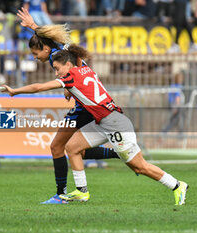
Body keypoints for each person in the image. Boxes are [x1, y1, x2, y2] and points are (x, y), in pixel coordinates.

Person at [0, 44, 189, 206]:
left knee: (139, 167)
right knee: (72, 147)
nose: (57, 73)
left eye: (57, 68)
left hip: (115, 123)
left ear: (68, 64)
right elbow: (74, 57)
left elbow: (39, 87)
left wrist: (15, 91)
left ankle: (177, 185)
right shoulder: (86, 69)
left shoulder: (71, 76)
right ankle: (82, 191)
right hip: (104, 120)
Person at [17, 8, 120, 204]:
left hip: (83, 108)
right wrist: (33, 26)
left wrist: (68, 83)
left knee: (57, 146)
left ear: (45, 50)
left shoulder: (56, 54)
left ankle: (61, 194)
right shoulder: (58, 51)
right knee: (76, 150)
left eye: (34, 52)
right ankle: (117, 152)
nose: (34, 56)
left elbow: (61, 60)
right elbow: (68, 51)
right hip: (88, 105)